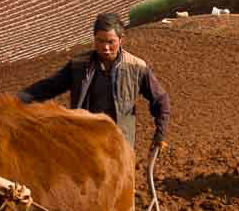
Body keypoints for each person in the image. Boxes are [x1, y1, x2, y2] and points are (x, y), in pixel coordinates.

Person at [17, 12, 171, 154]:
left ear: (121, 40)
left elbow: (160, 100)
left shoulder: (136, 67)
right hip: (85, 140)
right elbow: (49, 87)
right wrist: (17, 100)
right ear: (94, 39)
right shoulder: (78, 65)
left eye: (111, 42)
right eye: (100, 41)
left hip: (119, 144)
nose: (105, 47)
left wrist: (160, 134)